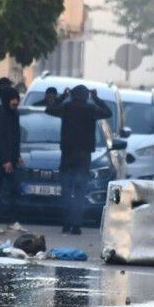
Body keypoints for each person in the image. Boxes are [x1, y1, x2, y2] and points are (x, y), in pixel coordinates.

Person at [46, 85, 112, 234]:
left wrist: (63, 96)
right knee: (80, 191)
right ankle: (76, 225)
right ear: (86, 96)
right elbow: (108, 112)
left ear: (72, 95)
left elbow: (50, 109)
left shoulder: (67, 107)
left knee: (66, 190)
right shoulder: (91, 109)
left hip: (67, 155)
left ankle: (66, 224)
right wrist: (96, 98)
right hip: (84, 156)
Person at [0, 87, 23, 228]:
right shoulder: (0, 114)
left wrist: (17, 155)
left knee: (15, 189)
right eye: (13, 99)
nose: (15, 102)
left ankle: (13, 221)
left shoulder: (14, 114)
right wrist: (5, 160)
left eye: (17, 99)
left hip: (10, 160)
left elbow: (15, 137)